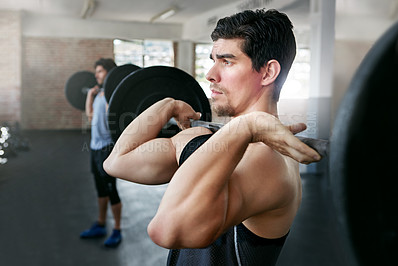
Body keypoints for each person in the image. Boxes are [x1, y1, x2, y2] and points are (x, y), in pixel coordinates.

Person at [104, 9, 321, 265]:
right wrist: (168, 105)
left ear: (267, 73)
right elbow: (117, 161)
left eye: (226, 61)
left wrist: (246, 127)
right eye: (213, 60)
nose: (210, 74)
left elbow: (166, 230)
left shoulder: (267, 163)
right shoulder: (203, 138)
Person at [80, 58, 122, 248]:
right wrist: (90, 96)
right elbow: (90, 118)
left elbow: (113, 118)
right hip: (95, 147)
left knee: (111, 189)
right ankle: (101, 223)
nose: (96, 75)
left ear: (109, 73)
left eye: (100, 72)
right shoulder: (98, 95)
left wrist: (109, 97)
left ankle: (117, 230)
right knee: (100, 188)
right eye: (96, 72)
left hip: (107, 147)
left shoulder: (112, 95)